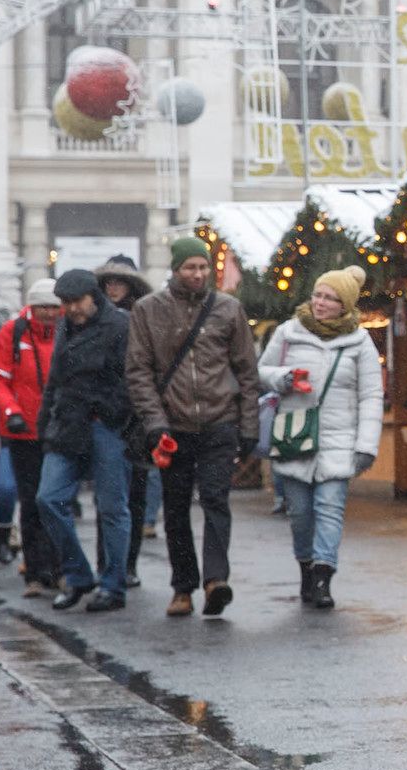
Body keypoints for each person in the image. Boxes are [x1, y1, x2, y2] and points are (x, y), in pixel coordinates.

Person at [127, 236, 262, 619]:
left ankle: (216, 580)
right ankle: (182, 587)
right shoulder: (148, 310)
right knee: (176, 507)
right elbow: (139, 372)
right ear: (176, 269)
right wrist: (155, 424)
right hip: (173, 426)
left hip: (220, 420)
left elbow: (247, 372)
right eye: (191, 267)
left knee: (216, 499)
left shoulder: (228, 309)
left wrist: (248, 426)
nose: (198, 274)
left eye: (203, 267)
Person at [256, 266, 383, 610]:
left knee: (330, 509)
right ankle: (306, 567)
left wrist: (365, 446)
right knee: (300, 514)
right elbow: (261, 372)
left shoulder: (359, 342)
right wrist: (284, 378)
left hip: (339, 441)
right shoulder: (289, 332)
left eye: (330, 298)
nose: (320, 303)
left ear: (345, 306)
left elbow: (371, 396)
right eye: (318, 295)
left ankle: (324, 575)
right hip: (295, 435)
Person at [34, 271, 134, 612]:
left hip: (105, 425)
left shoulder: (120, 325)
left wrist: (111, 412)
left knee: (112, 508)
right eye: (67, 303)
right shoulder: (66, 325)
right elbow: (55, 379)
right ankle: (78, 575)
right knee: (48, 498)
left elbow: (131, 378)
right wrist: (44, 423)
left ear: (94, 297)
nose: (72, 308)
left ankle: (113, 585)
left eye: (77, 302)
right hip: (67, 423)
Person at [0, 280, 63, 598]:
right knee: (31, 501)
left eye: (54, 306)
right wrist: (11, 411)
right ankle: (35, 572)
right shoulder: (13, 332)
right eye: (43, 306)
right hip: (23, 432)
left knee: (56, 501)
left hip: (58, 432)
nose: (49, 313)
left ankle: (60, 569)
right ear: (32, 306)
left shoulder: (67, 331)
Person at [94, 254, 154, 587]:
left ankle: (128, 563)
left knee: (136, 494)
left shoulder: (144, 319)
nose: (114, 288)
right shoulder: (93, 320)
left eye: (120, 282)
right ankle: (107, 563)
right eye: (109, 282)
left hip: (138, 417)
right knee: (108, 496)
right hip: (106, 416)